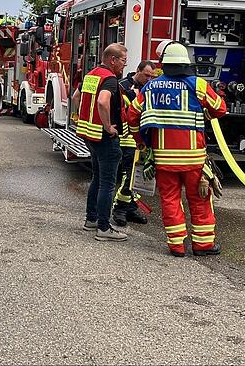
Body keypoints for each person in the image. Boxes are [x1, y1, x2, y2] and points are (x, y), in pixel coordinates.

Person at [127, 41, 227, 257]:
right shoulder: (197, 85)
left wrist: (141, 140)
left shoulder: (151, 87)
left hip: (163, 159)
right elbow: (220, 108)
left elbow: (132, 115)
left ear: (164, 64)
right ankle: (203, 245)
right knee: (200, 200)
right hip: (194, 160)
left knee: (170, 201)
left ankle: (176, 246)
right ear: (185, 63)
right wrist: (204, 114)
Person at [75, 43, 128, 242]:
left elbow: (76, 97)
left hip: (90, 136)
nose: (124, 65)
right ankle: (104, 228)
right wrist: (108, 126)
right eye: (123, 61)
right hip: (105, 138)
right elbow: (102, 102)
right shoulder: (110, 80)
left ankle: (91, 220)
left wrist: (83, 118)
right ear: (112, 60)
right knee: (108, 183)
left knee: (97, 179)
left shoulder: (91, 75)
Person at [112, 60, 156, 227]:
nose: (149, 79)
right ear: (137, 71)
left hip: (140, 139)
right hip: (126, 138)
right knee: (129, 175)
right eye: (146, 75)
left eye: (152, 76)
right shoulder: (123, 86)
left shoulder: (149, 88)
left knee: (138, 175)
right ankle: (120, 209)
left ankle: (130, 208)